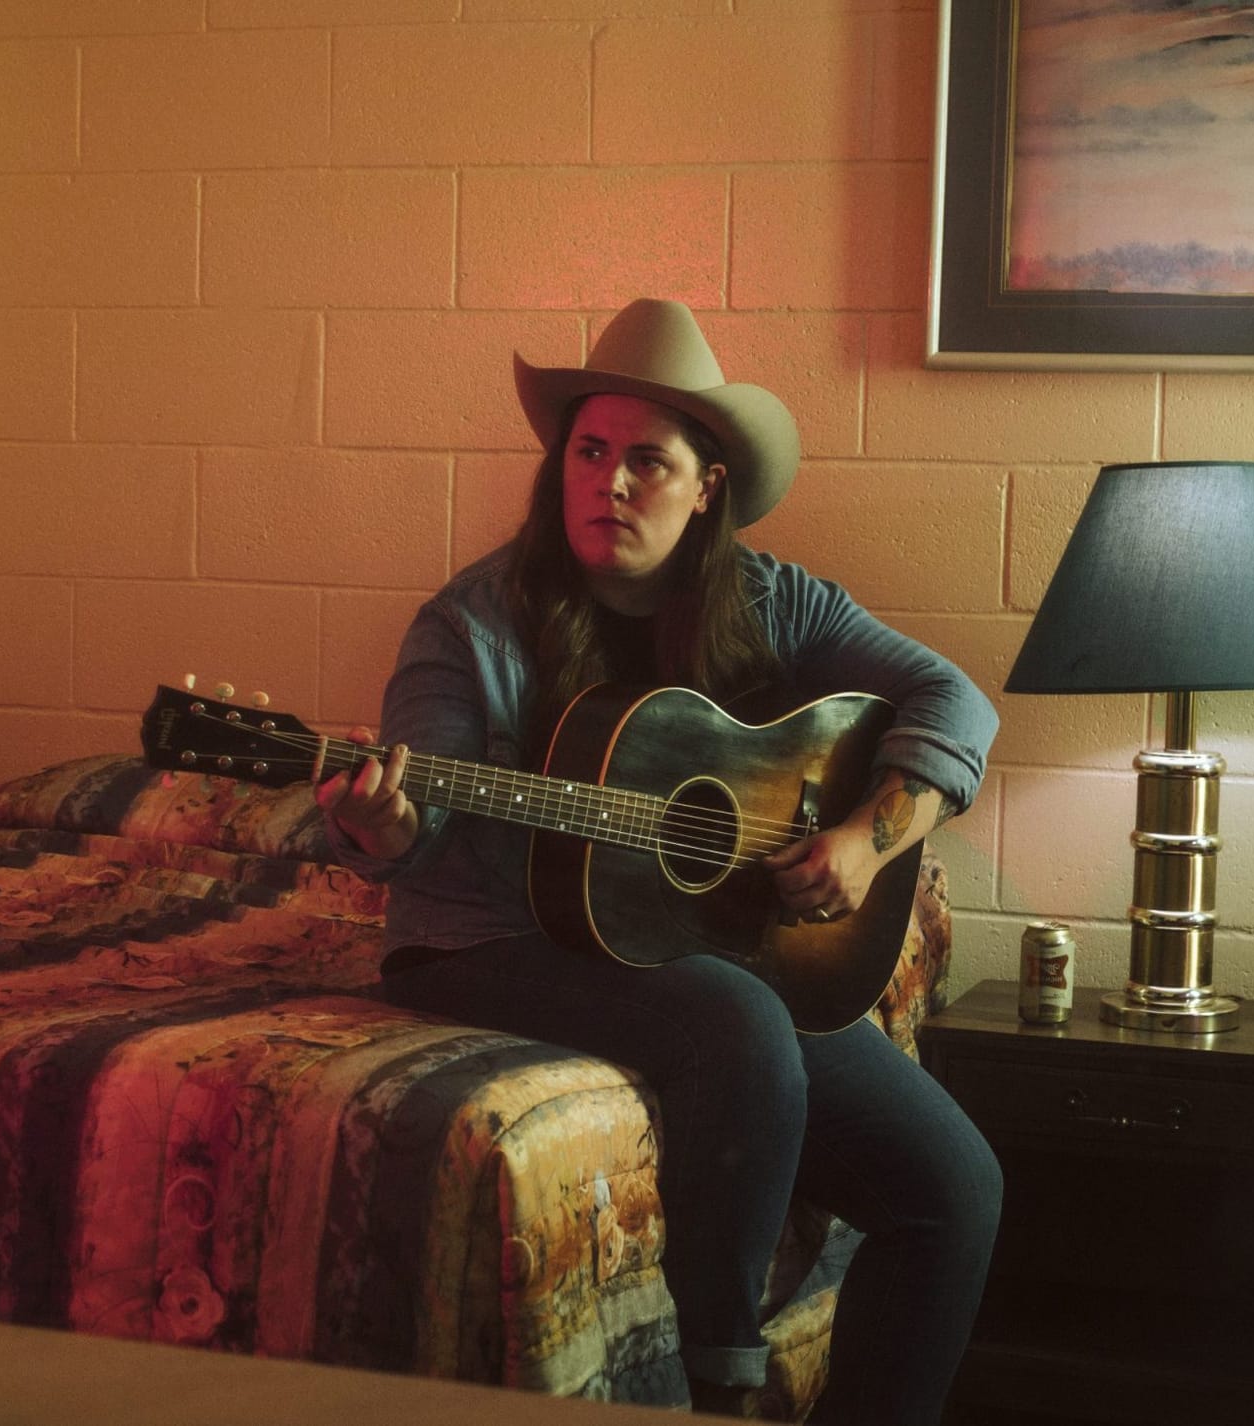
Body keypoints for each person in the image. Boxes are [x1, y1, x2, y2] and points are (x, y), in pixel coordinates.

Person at [314, 299, 1003, 1424]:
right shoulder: (470, 627)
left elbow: (954, 700)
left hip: (720, 951)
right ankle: (719, 1380)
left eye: (646, 460)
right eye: (588, 452)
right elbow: (408, 826)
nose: (611, 482)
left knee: (955, 1188)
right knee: (729, 1018)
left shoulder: (771, 602)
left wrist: (863, 840)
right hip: (484, 941)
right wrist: (378, 822)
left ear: (706, 485)